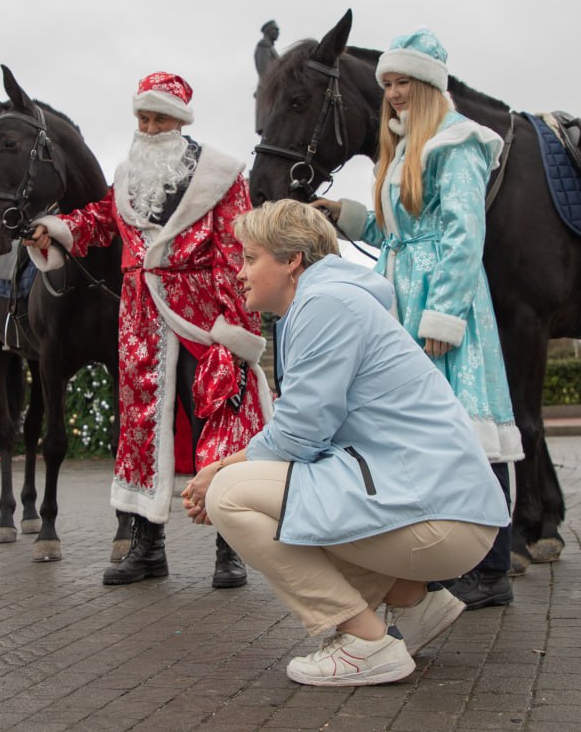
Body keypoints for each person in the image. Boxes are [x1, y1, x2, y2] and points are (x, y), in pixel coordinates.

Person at [182, 200, 508, 687]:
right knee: (276, 491)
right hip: (444, 510)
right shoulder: (328, 301)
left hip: (439, 517)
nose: (240, 272)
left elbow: (299, 434)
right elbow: (312, 436)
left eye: (250, 258)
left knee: (231, 495)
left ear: (292, 260)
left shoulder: (325, 303)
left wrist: (217, 470)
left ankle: (365, 644)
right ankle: (412, 604)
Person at [25, 71, 273, 588]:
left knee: (217, 420)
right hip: (141, 318)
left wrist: (237, 323)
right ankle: (147, 545)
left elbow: (235, 251)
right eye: (143, 116)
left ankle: (232, 546)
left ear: (180, 121)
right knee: (139, 426)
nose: (150, 125)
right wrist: (59, 229)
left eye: (160, 117)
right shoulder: (128, 173)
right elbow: (100, 220)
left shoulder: (221, 176)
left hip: (204, 317)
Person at [312, 28, 523, 611]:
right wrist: (349, 214)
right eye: (388, 84)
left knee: (470, 429)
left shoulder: (457, 144)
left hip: (442, 299)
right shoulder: (403, 148)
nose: (395, 93)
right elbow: (396, 233)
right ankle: (446, 559)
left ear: (428, 85)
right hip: (403, 292)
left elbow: (463, 234)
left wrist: (445, 316)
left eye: (404, 81)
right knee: (427, 430)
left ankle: (493, 567)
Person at [254, 19, 280, 134]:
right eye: (275, 29)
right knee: (268, 128)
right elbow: (264, 71)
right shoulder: (263, 45)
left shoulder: (269, 47)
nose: (277, 32)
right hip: (267, 89)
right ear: (268, 31)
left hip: (270, 89)